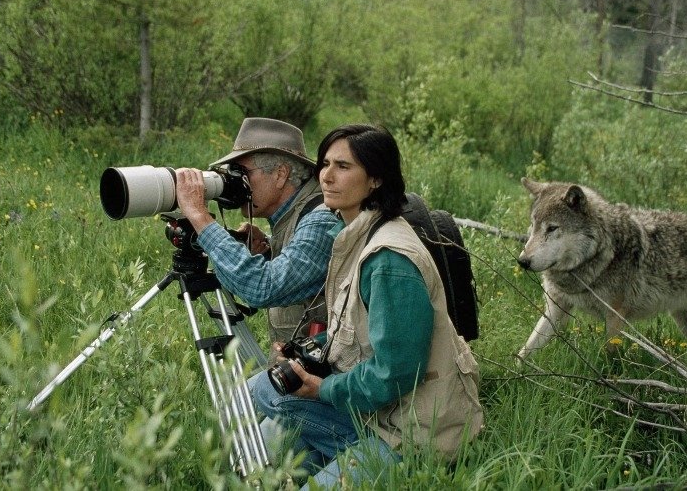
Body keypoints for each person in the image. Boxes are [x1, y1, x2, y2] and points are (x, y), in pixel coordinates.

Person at [249, 124, 484, 488]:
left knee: (268, 394)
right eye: (325, 163)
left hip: (413, 431)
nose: (327, 176)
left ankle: (357, 458)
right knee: (265, 418)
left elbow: (398, 370)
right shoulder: (358, 234)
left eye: (343, 166)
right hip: (380, 412)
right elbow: (360, 327)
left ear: (375, 179)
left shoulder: (389, 258)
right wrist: (310, 354)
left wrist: (321, 389)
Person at [175, 118, 338, 359]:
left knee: (250, 390)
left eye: (242, 173)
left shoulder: (322, 219)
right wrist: (269, 251)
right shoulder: (295, 215)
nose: (234, 182)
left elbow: (264, 287)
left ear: (281, 174)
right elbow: (304, 269)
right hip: (301, 371)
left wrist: (200, 217)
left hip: (327, 384)